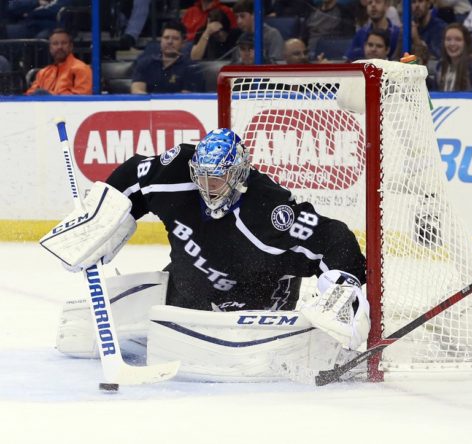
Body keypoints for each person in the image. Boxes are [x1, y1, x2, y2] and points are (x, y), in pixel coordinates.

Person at [41, 129, 369, 380]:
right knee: (83, 332)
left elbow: (333, 237)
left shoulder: (267, 208)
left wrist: (342, 286)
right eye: (204, 176)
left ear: (239, 173)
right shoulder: (174, 175)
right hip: (192, 284)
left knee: (243, 362)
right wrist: (100, 218)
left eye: (219, 177)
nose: (209, 186)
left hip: (258, 299)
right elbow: (132, 176)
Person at [131, 21, 199, 94]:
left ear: (183, 43)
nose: (169, 42)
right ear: (161, 40)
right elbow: (137, 91)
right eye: (166, 38)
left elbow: (185, 98)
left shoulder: (191, 68)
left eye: (175, 38)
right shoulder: (145, 64)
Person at [25, 28, 92, 95]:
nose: (59, 47)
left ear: (71, 46)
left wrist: (50, 95)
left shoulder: (81, 69)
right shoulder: (43, 73)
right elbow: (30, 95)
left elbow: (82, 98)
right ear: (50, 48)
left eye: (64, 43)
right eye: (55, 44)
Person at [433, 22, 472, 91]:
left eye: (458, 39)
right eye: (448, 39)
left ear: (466, 43)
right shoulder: (440, 66)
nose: (452, 43)